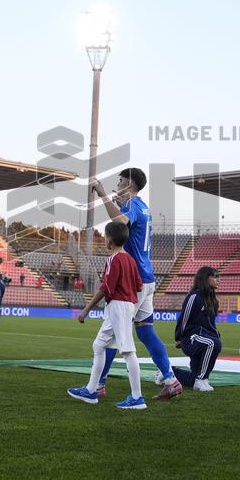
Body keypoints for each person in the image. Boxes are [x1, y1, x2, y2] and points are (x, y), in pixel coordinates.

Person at [92, 168, 182, 401]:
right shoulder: (142, 205)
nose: (118, 183)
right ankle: (171, 380)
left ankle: (98, 385)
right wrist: (117, 203)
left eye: (121, 181)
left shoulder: (132, 205)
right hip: (147, 277)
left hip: (134, 280)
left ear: (130, 184)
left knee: (111, 332)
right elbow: (126, 218)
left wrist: (102, 195)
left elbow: (120, 222)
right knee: (146, 331)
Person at [67, 221, 147, 409]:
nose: (104, 239)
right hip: (124, 306)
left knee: (128, 351)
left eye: (105, 236)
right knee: (99, 345)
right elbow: (139, 286)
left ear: (109, 239)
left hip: (118, 306)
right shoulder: (130, 259)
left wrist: (86, 309)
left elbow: (106, 288)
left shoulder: (113, 259)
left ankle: (137, 397)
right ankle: (91, 390)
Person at [170, 266, 222, 391]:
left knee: (192, 378)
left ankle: (168, 372)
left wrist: (216, 334)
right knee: (213, 344)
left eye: (218, 277)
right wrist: (179, 338)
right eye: (214, 277)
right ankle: (201, 380)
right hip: (191, 339)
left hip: (203, 339)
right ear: (205, 279)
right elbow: (184, 319)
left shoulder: (213, 300)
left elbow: (211, 324)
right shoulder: (194, 297)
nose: (218, 280)